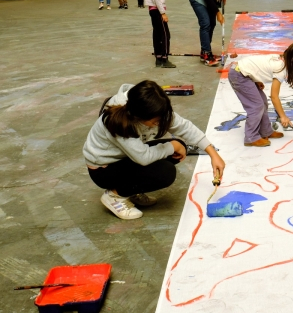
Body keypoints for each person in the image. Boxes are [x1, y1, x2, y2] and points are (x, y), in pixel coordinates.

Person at [83, 80, 225, 220]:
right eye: (155, 121)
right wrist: (172, 146)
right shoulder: (118, 121)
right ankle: (115, 196)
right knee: (165, 172)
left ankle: (131, 189)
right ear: (138, 116)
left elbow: (184, 127)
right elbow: (143, 158)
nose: (160, 123)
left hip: (124, 157)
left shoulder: (149, 104)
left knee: (177, 149)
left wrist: (213, 154)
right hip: (103, 169)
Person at [228, 41, 293, 147]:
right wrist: (283, 116)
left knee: (263, 103)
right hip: (239, 75)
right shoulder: (280, 68)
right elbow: (274, 96)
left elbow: (257, 67)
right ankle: (251, 137)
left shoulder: (281, 60)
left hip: (243, 73)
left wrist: (256, 79)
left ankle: (265, 131)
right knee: (256, 106)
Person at [188, 0, 229, 67]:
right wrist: (218, 13)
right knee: (205, 23)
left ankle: (205, 50)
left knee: (212, 23)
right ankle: (206, 53)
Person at [145, 0, 175, 68]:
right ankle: (164, 58)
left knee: (157, 34)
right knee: (165, 35)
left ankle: (158, 57)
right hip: (157, 10)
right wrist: (163, 12)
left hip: (152, 10)